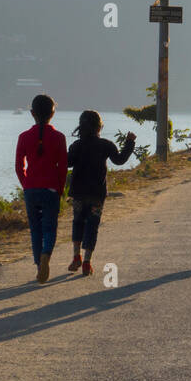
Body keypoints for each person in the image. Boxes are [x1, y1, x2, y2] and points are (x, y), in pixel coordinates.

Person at [65, 111, 135, 276]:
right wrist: (130, 143)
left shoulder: (76, 145)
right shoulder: (106, 145)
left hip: (79, 194)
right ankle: (87, 263)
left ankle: (76, 257)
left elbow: (67, 163)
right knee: (92, 226)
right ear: (99, 127)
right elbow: (119, 160)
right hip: (97, 194)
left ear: (80, 127)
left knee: (78, 222)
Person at [15, 94, 67, 284]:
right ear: (53, 113)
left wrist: (26, 185)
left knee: (35, 230)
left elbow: (19, 166)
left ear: (32, 113)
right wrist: (60, 189)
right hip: (51, 189)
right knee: (49, 228)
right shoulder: (59, 137)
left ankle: (39, 265)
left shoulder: (23, 137)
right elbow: (62, 167)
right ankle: (46, 255)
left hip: (31, 190)